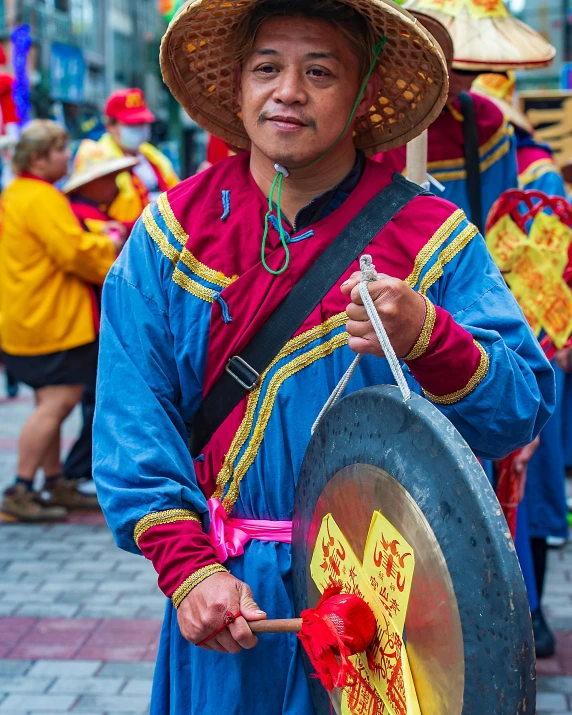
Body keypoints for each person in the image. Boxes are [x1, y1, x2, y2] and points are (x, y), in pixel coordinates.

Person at [93, 1, 554, 712]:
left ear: (363, 93)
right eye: (266, 68)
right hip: (231, 601)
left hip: (396, 609)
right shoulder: (169, 239)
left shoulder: (433, 238)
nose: (288, 91)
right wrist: (190, 574)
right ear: (238, 86)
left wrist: (433, 336)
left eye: (320, 71)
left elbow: (521, 407)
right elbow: (133, 428)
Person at [0, 121, 122, 522]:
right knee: (59, 401)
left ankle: (55, 482)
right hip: (50, 317)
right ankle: (19, 488)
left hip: (29, 316)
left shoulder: (18, 194)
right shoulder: (40, 197)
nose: (66, 158)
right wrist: (110, 247)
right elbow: (73, 252)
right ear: (38, 159)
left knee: (48, 400)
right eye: (58, 151)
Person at [378, 0, 555, 232]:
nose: (464, 82)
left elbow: (501, 225)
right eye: (459, 68)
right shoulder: (373, 118)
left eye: (476, 69)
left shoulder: (487, 122)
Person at [60, 140, 137, 492]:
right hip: (86, 319)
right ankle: (80, 470)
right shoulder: (83, 215)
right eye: (109, 177)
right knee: (94, 399)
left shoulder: (95, 213)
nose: (114, 185)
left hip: (93, 318)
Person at [74, 88, 179, 230]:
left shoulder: (155, 158)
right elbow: (86, 210)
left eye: (142, 123)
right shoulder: (96, 157)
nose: (139, 129)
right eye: (132, 124)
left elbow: (177, 192)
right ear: (110, 126)